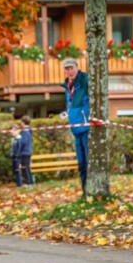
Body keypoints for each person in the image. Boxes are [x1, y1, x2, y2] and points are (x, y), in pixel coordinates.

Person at [61, 58, 89, 195]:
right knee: (81, 164)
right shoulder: (67, 85)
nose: (69, 71)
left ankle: (92, 191)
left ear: (77, 67)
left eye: (71, 68)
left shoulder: (85, 80)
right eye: (66, 69)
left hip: (86, 127)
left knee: (89, 162)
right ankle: (85, 192)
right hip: (75, 129)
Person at [18, 116, 33, 186]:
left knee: (25, 168)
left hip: (25, 152)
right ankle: (30, 182)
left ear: (23, 122)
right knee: (27, 167)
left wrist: (18, 140)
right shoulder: (29, 130)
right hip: (28, 151)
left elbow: (23, 142)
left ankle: (28, 182)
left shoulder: (25, 131)